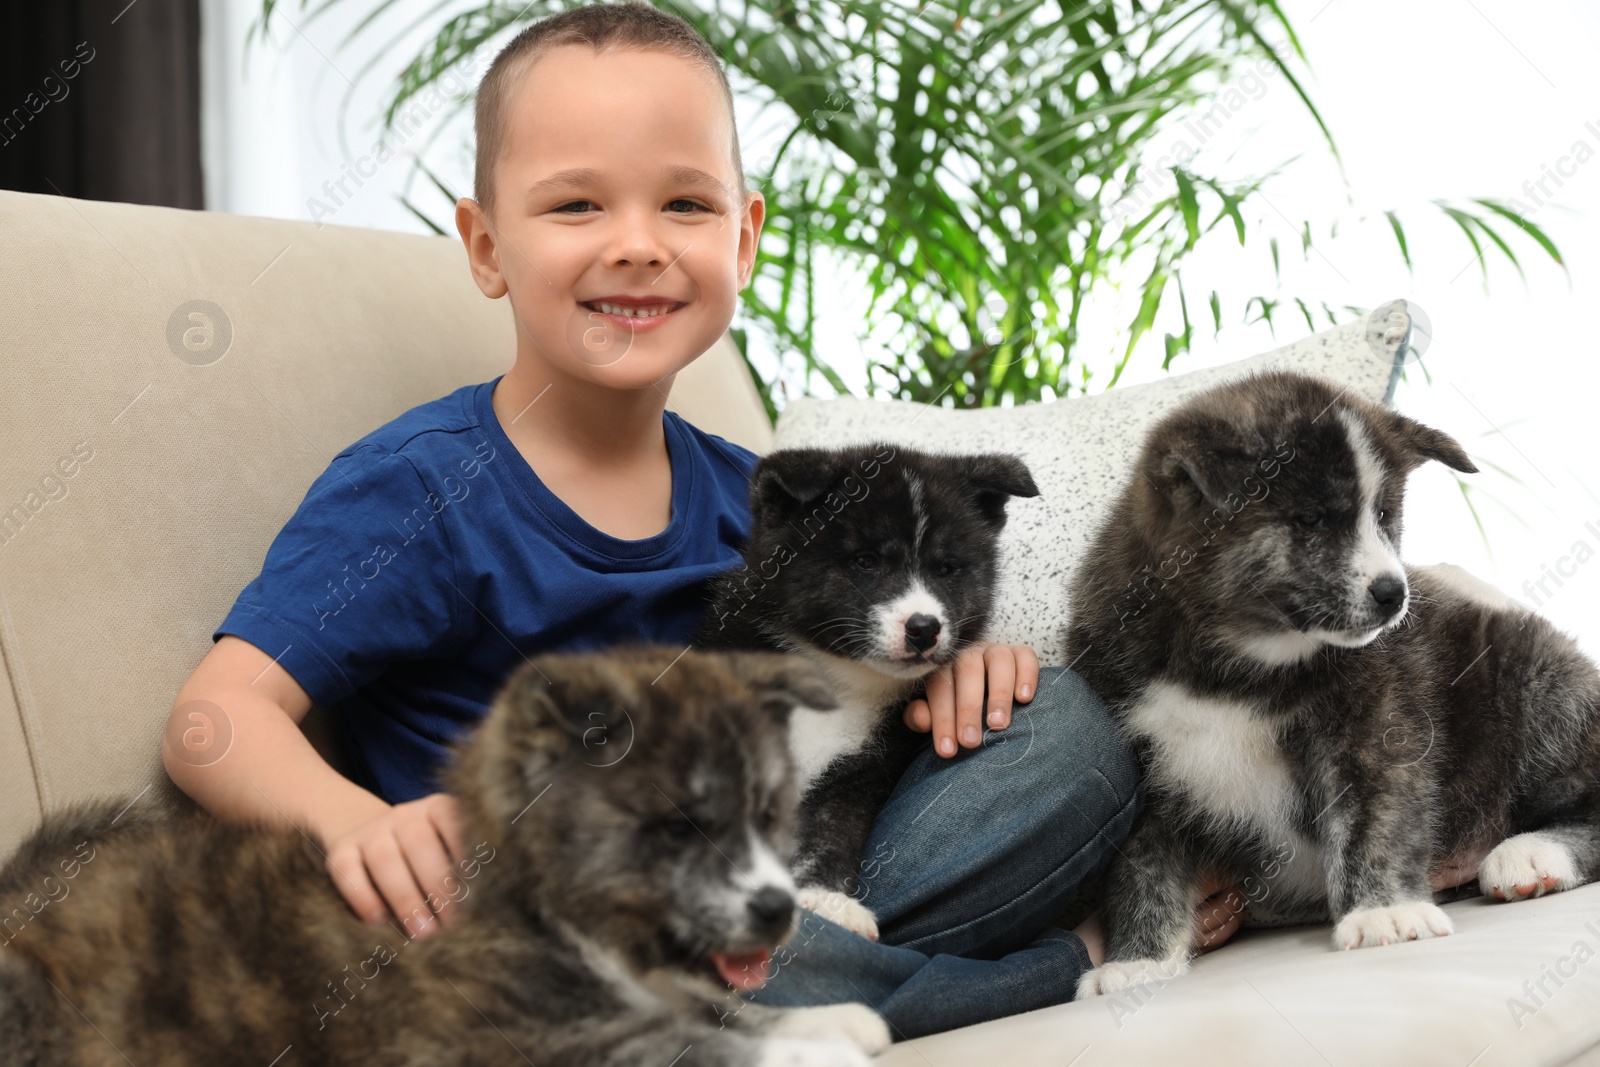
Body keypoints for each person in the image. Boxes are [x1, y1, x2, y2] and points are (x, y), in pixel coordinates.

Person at [162, 1, 1239, 1041]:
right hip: (556, 905)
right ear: (486, 247)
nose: (637, 244)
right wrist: (360, 821)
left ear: (745, 235)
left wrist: (948, 673)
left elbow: (840, 724)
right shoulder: (416, 488)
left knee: (1064, 730)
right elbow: (214, 718)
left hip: (788, 866)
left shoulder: (762, 496)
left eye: (683, 205)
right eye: (576, 205)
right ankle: (1053, 960)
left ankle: (799, 973)